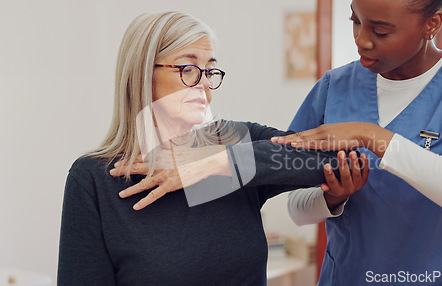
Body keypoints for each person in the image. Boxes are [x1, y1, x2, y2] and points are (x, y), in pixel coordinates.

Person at [57, 12, 367, 285]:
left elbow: (339, 160)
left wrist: (216, 162)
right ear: (142, 74)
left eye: (210, 70)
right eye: (188, 69)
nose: (204, 84)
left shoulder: (233, 141)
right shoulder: (94, 179)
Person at [273, 0, 442, 285]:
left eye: (380, 31)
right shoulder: (333, 87)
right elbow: (296, 209)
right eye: (356, 22)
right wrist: (333, 197)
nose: (361, 41)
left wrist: (374, 136)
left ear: (432, 24)